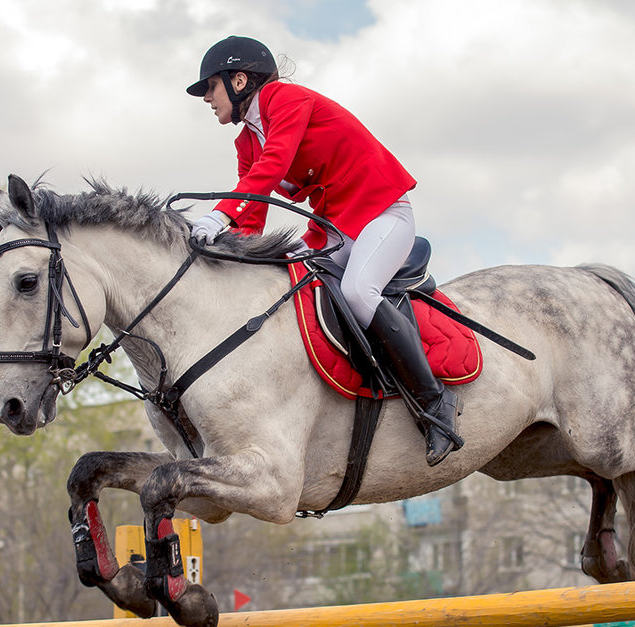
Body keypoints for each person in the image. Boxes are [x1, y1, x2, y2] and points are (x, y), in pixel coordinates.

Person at [186, 35, 463, 466]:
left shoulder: (285, 99)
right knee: (289, 293)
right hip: (336, 229)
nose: (206, 97)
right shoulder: (245, 143)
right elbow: (252, 215)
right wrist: (226, 250)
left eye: (210, 87)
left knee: (357, 292)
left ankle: (435, 403)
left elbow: (273, 167)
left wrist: (217, 217)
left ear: (239, 80)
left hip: (382, 215)